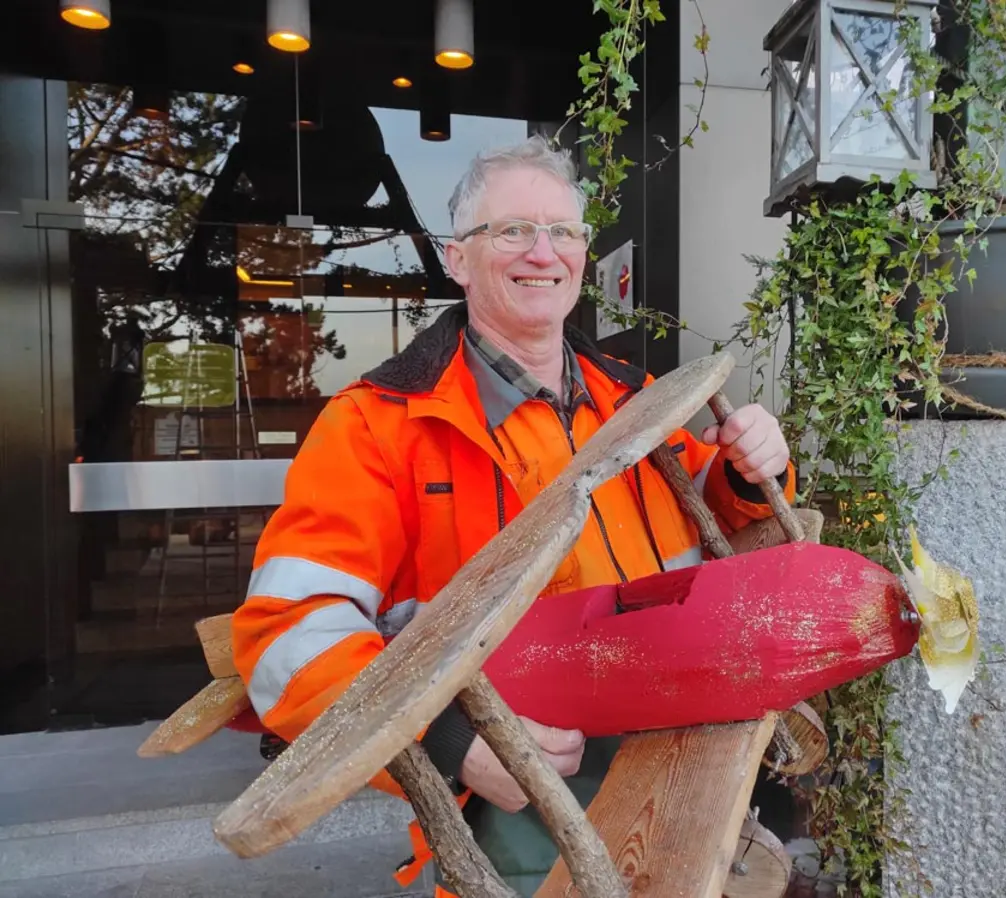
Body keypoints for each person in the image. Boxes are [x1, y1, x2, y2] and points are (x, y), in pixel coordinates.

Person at [230, 134, 796, 896]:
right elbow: (287, 639)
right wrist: (450, 739)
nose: (543, 251)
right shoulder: (374, 425)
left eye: (562, 231)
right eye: (512, 230)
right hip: (516, 809)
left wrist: (751, 464)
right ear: (458, 258)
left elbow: (718, 504)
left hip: (684, 768)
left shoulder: (636, 399)